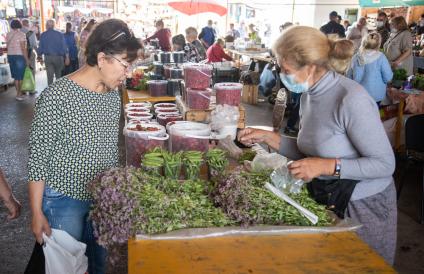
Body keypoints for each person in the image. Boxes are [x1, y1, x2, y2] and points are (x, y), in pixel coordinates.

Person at [238, 26, 396, 265]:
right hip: (329, 196)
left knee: (361, 267)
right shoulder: (309, 95)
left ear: (310, 67)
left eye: (286, 69)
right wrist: (268, 137)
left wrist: (327, 166)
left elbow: (385, 164)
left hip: (363, 205)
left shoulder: (351, 99)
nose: (281, 74)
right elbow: (310, 152)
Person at [28, 18, 142, 273]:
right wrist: (36, 213)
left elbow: (110, 147)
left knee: (100, 265)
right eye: (125, 64)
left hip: (101, 198)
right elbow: (37, 159)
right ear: (102, 58)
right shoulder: (57, 96)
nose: (128, 73)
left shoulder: (113, 94)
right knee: (66, 266)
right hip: (63, 199)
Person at [347, 32, 393, 105]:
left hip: (358, 93)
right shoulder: (381, 57)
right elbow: (388, 77)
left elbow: (348, 76)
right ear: (378, 44)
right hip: (376, 94)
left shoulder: (356, 57)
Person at [37, 19, 70, 85]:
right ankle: (58, 91)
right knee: (59, 76)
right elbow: (64, 46)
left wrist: (39, 57)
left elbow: (40, 47)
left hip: (48, 58)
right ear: (54, 26)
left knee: (49, 77)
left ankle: (50, 92)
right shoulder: (59, 34)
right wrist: (67, 57)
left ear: (46, 26)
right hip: (58, 58)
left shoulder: (43, 35)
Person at [6, 19, 30, 101]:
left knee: (16, 77)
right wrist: (27, 59)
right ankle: (18, 94)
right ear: (19, 25)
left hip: (10, 56)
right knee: (20, 76)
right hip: (19, 56)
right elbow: (23, 48)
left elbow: (7, 46)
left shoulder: (8, 34)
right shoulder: (21, 34)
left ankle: (18, 93)